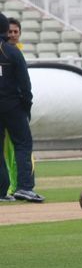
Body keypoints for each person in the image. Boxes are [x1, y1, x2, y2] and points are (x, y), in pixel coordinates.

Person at [0, 13, 41, 203]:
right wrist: (27, 104)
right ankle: (24, 187)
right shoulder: (12, 51)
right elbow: (25, 83)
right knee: (23, 143)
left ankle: (1, 190)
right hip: (13, 105)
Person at [2, 18, 23, 197]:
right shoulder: (11, 54)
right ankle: (12, 186)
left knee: (15, 150)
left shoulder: (20, 52)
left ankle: (15, 186)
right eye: (10, 31)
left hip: (15, 107)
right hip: (11, 106)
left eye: (16, 32)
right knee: (10, 150)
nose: (13, 35)